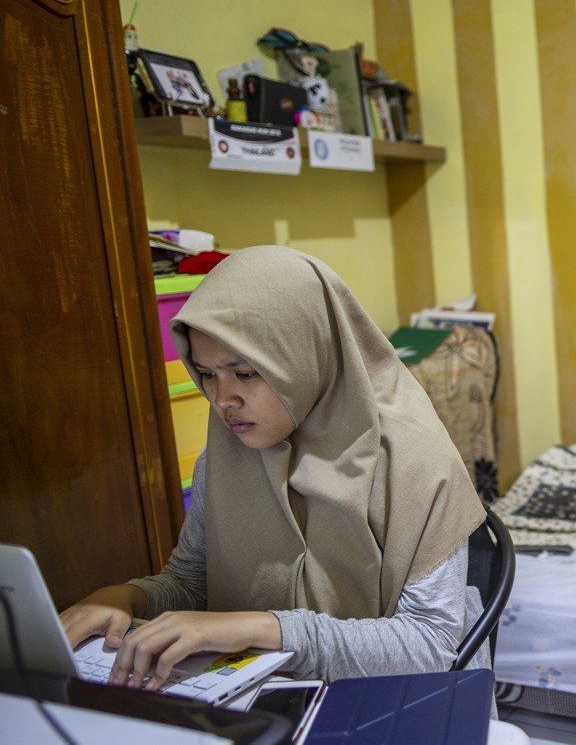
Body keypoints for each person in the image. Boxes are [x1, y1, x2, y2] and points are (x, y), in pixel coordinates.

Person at [59, 246, 488, 689]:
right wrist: (124, 599)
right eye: (206, 374)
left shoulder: (413, 460)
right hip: (267, 695)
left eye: (244, 373)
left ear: (307, 355)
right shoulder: (225, 455)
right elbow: (192, 580)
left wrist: (265, 629)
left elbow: (430, 645)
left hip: (392, 700)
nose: (222, 399)